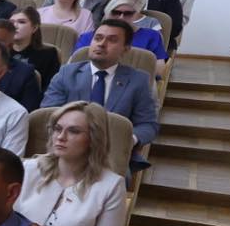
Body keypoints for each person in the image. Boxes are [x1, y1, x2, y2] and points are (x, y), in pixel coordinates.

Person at [18, 102, 128, 226]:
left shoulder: (111, 186)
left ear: (94, 138)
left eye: (74, 131)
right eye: (57, 129)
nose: (61, 137)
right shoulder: (29, 169)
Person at [42, 19, 159, 152]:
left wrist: (128, 140)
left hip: (112, 151)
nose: (102, 44)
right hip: (66, 147)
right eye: (98, 38)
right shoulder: (67, 74)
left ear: (125, 49)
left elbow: (147, 125)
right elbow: (49, 113)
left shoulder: (137, 80)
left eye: (112, 40)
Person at [72, 0, 169, 63]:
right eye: (116, 12)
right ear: (107, 12)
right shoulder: (87, 37)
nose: (121, 17)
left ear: (136, 15)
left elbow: (159, 71)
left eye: (128, 13)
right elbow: (74, 65)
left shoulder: (151, 36)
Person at [8, 7, 62, 92]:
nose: (15, 26)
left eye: (21, 22)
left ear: (34, 28)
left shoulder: (48, 54)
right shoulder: (0, 50)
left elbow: (50, 89)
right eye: (11, 22)